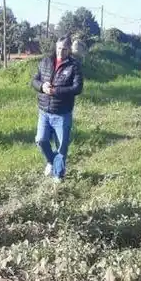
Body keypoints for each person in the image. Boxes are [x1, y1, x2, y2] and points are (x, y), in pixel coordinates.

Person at [31, 35, 84, 182]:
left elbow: (77, 88)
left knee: (62, 147)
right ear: (56, 47)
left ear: (69, 50)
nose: (61, 52)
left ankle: (58, 175)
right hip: (44, 111)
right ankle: (51, 161)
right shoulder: (46, 61)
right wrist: (42, 86)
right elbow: (34, 80)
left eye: (64, 49)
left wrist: (56, 91)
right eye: (59, 48)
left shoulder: (74, 66)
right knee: (40, 140)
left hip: (62, 113)